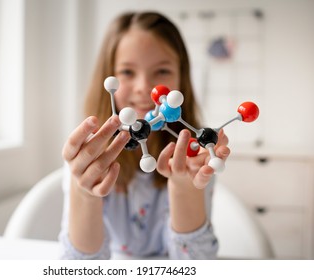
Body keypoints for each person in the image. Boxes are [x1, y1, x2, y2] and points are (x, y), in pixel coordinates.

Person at [59, 11, 230, 260]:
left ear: (182, 78)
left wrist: (184, 187)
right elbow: (80, 269)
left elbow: (195, 266)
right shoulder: (88, 158)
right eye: (127, 72)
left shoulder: (198, 154)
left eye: (161, 71)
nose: (144, 88)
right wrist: (84, 192)